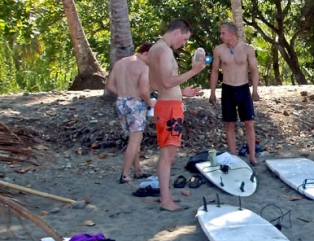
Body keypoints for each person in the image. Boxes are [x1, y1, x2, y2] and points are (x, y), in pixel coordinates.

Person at [148, 19, 206, 211]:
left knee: (168, 153)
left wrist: (181, 93)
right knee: (168, 154)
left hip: (167, 104)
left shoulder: (156, 49)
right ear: (178, 32)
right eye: (185, 39)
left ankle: (166, 195)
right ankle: (165, 201)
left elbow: (156, 85)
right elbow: (165, 82)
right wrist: (194, 71)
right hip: (168, 108)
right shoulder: (163, 50)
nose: (184, 44)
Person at [209, 22, 261, 164]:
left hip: (243, 88)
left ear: (232, 34)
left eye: (223, 33)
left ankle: (252, 156)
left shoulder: (247, 49)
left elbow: (255, 70)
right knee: (229, 124)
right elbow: (214, 71)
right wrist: (212, 92)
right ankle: (233, 156)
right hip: (227, 89)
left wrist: (255, 90)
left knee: (249, 123)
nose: (221, 36)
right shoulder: (219, 50)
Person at [106, 42, 155, 184]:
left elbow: (110, 86)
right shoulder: (143, 67)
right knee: (134, 141)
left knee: (133, 139)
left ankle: (138, 169)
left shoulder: (120, 63)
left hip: (121, 102)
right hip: (135, 103)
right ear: (146, 53)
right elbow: (143, 91)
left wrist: (123, 95)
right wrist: (149, 102)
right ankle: (125, 174)